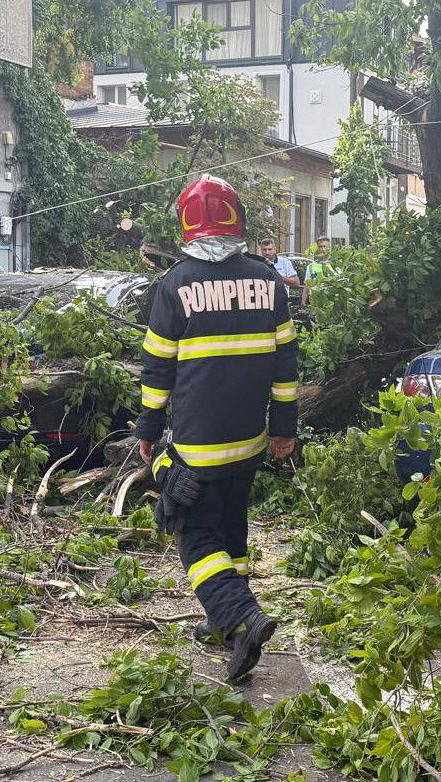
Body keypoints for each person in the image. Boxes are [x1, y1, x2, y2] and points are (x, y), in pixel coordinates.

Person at [136, 174, 297, 682]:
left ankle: (239, 616)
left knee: (195, 535)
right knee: (231, 526)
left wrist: (148, 429)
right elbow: (286, 367)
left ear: (186, 226)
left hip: (197, 444)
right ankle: (221, 624)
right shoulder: (268, 281)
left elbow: (158, 368)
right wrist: (285, 429)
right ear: (237, 219)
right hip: (249, 439)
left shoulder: (175, 285)